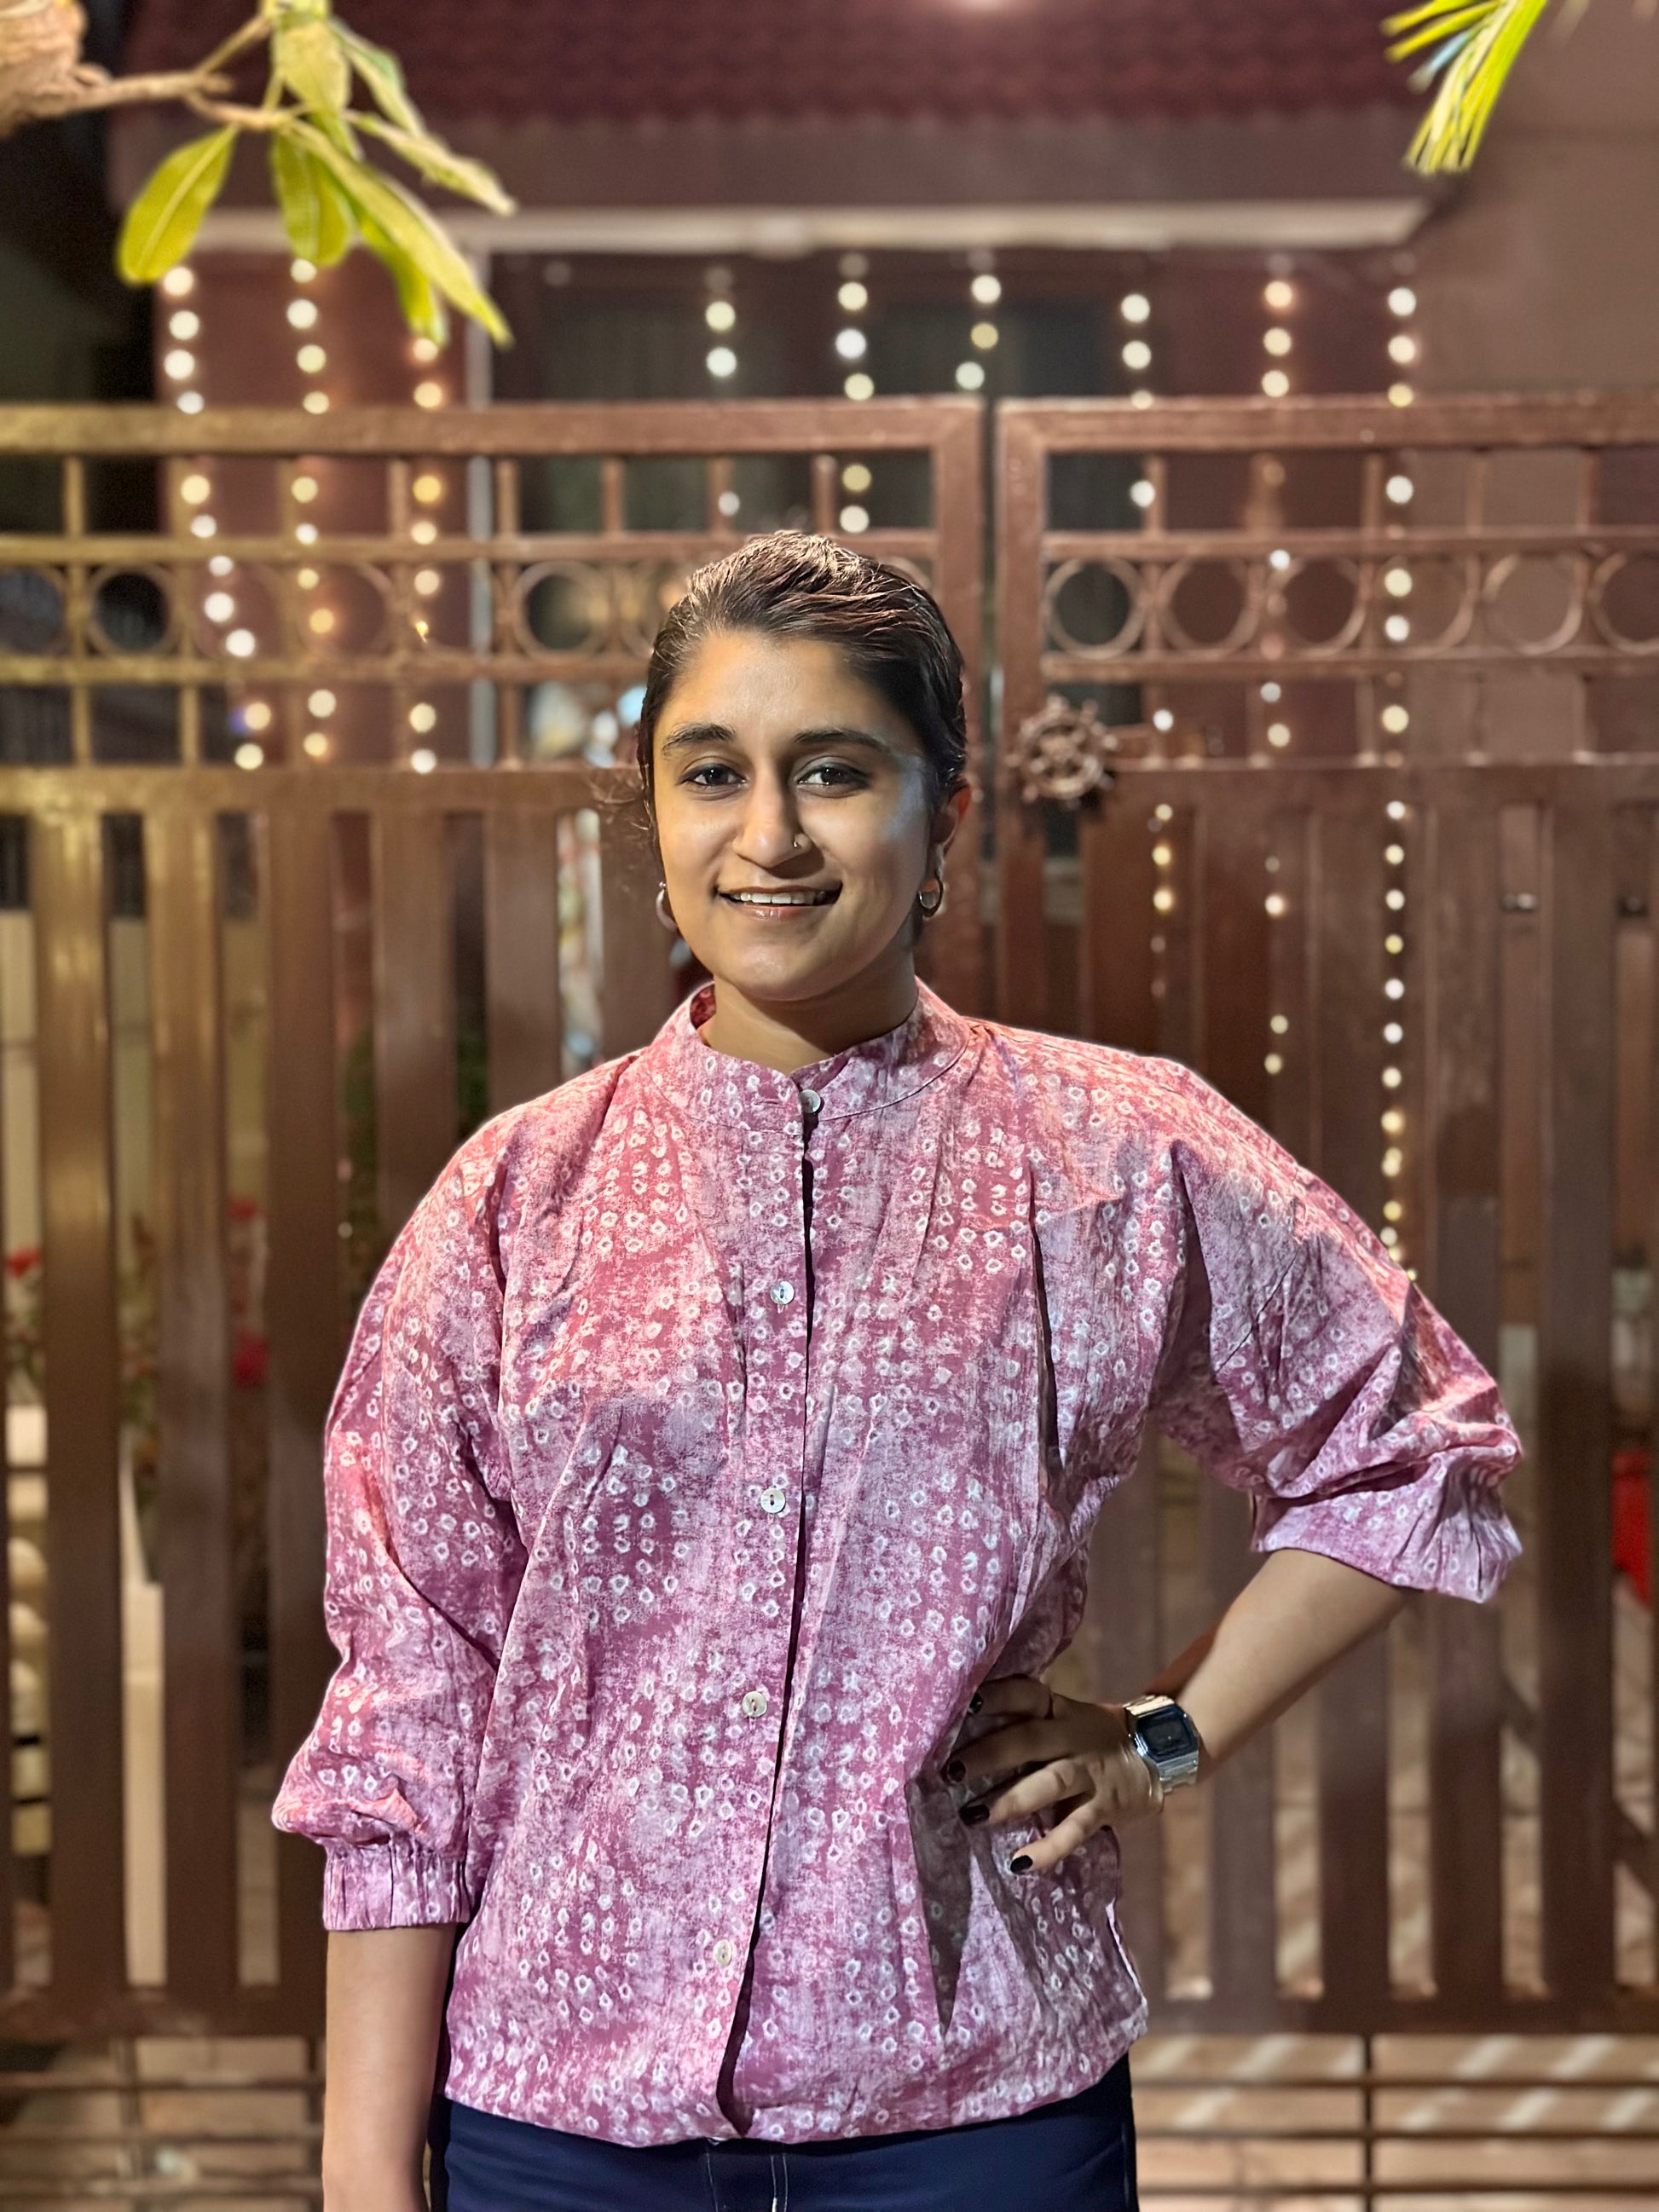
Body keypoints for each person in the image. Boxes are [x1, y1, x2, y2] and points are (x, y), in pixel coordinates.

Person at [275, 534, 1519, 2212]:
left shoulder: (1110, 1156)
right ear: (652, 810)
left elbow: (1413, 1447)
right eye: (710, 771)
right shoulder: (516, 1199)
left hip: (975, 2111)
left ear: (942, 812)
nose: (767, 834)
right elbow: (411, 1700)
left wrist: (1158, 1738)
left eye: (834, 771)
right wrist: (365, 2170)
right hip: (563, 2117)